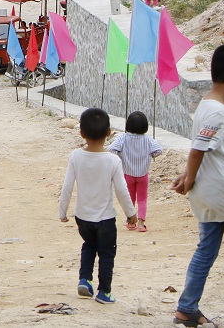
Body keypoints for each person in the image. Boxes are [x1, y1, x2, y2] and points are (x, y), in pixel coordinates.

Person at [170, 44, 224, 327]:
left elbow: (204, 150)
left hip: (211, 192)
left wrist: (186, 174)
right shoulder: (217, 112)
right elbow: (197, 151)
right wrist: (188, 178)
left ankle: (186, 307)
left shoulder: (207, 105)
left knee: (207, 249)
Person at [58, 107, 137, 305]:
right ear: (109, 132)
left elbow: (67, 186)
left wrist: (62, 211)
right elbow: (121, 190)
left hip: (83, 217)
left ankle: (85, 279)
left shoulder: (76, 156)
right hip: (105, 219)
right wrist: (131, 213)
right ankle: (104, 292)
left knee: (89, 245)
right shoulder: (113, 160)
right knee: (107, 254)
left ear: (81, 133)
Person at [107, 111, 162, 233]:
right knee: (142, 199)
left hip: (127, 174)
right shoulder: (148, 140)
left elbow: (111, 149)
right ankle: (141, 223)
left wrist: (120, 157)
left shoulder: (123, 138)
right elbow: (158, 150)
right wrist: (150, 155)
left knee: (130, 197)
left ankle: (130, 222)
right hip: (143, 174)